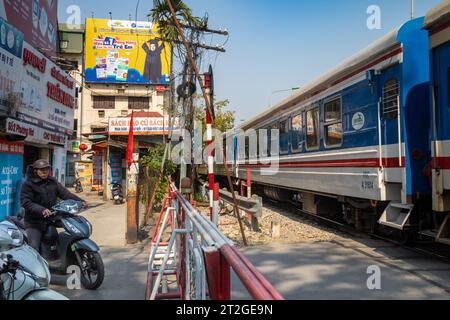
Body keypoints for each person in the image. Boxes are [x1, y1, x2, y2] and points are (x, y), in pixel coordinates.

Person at [20, 159, 87, 252]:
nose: (44, 171)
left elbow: (65, 194)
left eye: (46, 169)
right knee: (34, 247)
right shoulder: (28, 184)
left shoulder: (52, 181)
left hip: (52, 217)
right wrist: (42, 210)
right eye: (41, 169)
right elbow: (26, 202)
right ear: (35, 171)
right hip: (34, 222)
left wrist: (80, 201)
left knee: (75, 226)